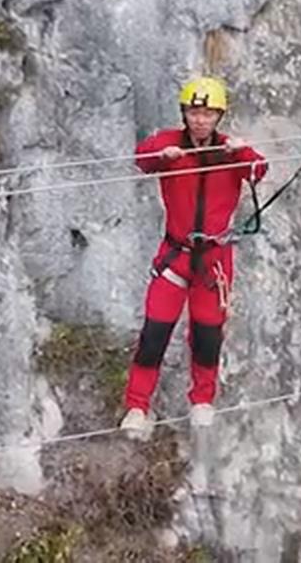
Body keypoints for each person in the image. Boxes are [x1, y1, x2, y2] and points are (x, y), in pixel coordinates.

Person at [120, 76, 267, 440]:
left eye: (207, 113)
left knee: (206, 335)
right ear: (185, 113)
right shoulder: (170, 144)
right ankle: (137, 406)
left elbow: (258, 170)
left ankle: (202, 399)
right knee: (154, 333)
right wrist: (162, 155)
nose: (200, 120)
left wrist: (242, 151)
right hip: (176, 254)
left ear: (218, 116)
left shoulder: (229, 152)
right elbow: (142, 158)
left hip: (214, 259)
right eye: (194, 112)